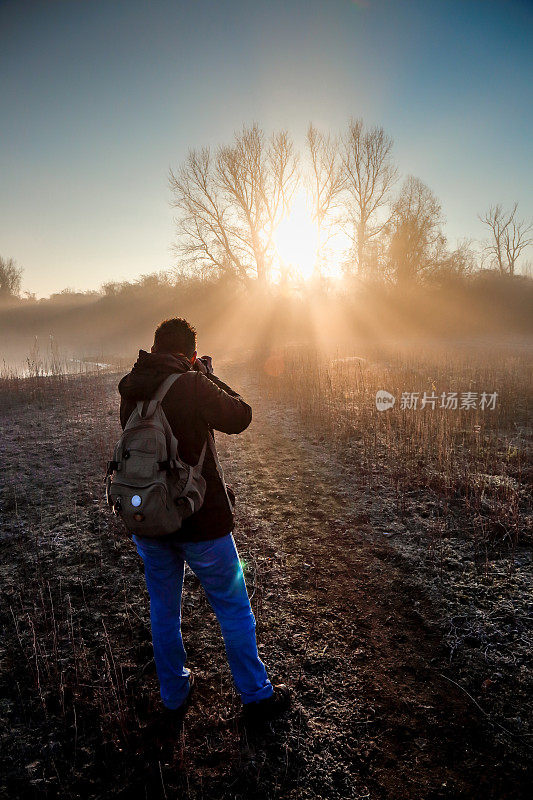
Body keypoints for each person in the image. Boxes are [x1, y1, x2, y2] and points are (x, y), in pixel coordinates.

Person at [118, 317, 290, 724]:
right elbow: (240, 416)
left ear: (154, 346)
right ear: (191, 354)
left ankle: (174, 696)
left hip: (149, 517)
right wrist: (208, 376)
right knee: (233, 609)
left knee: (163, 610)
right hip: (202, 522)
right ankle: (256, 696)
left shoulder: (132, 385)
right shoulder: (193, 384)